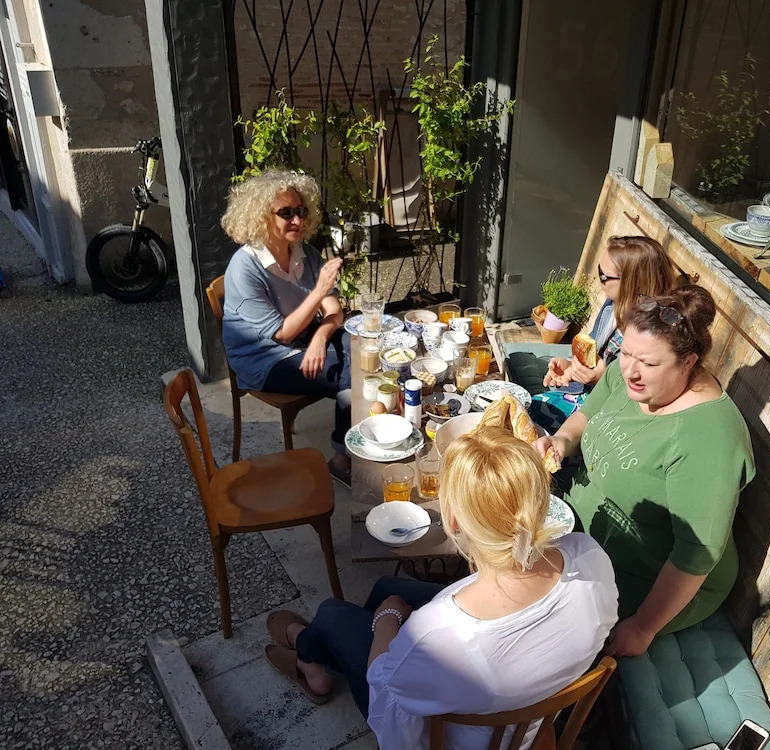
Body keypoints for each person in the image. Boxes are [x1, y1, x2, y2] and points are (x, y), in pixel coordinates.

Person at [264, 427, 619, 749]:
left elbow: (388, 702)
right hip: (528, 716)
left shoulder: (436, 636)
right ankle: (317, 652)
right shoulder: (589, 556)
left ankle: (309, 654)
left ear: (453, 519)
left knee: (334, 613)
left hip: (462, 734)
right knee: (388, 585)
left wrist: (388, 618)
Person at [535, 285, 755, 658]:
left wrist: (642, 627)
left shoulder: (708, 439)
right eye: (626, 354)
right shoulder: (629, 375)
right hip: (582, 530)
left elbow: (697, 552)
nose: (631, 372)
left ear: (689, 362)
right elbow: (588, 415)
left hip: (649, 574)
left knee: (535, 625)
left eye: (649, 364)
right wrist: (560, 440)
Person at [220, 169, 352, 480]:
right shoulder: (244, 267)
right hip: (264, 359)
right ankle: (343, 458)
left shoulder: (305, 253)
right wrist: (319, 291)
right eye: (286, 213)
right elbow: (282, 333)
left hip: (303, 340)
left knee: (363, 347)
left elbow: (334, 311)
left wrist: (320, 338)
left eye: (301, 211)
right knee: (354, 374)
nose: (297, 220)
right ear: (260, 216)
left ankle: (358, 444)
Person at [532, 236, 676, 435]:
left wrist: (604, 377)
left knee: (532, 418)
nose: (599, 278)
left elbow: (648, 397)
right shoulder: (613, 305)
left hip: (609, 414)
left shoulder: (655, 331)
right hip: (584, 393)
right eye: (599, 270)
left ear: (631, 283)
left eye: (604, 276)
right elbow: (592, 354)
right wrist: (571, 367)